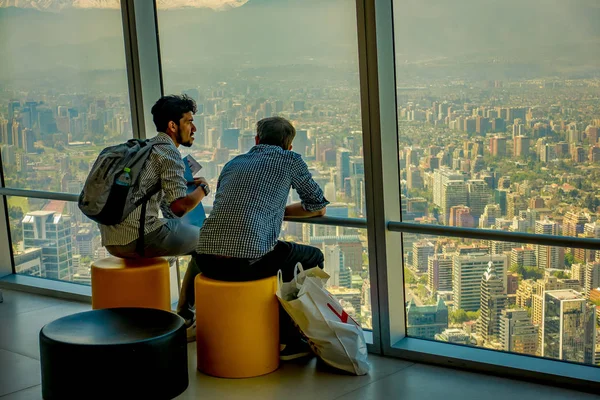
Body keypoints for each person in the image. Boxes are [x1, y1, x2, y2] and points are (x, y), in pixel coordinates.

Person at [177, 116, 329, 357]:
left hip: (205, 261)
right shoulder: (290, 160)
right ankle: (290, 339)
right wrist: (278, 210)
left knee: (217, 247)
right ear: (289, 146)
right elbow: (317, 206)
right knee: (312, 257)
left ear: (257, 140)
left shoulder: (234, 163)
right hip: (245, 264)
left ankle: (185, 319)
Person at [100, 94, 209, 259]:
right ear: (172, 126)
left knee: (171, 248)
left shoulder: (143, 149)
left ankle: (159, 280)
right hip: (138, 239)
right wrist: (204, 188)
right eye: (189, 122)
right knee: (210, 239)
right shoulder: (168, 153)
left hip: (111, 241)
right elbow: (179, 208)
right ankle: (198, 286)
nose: (193, 129)